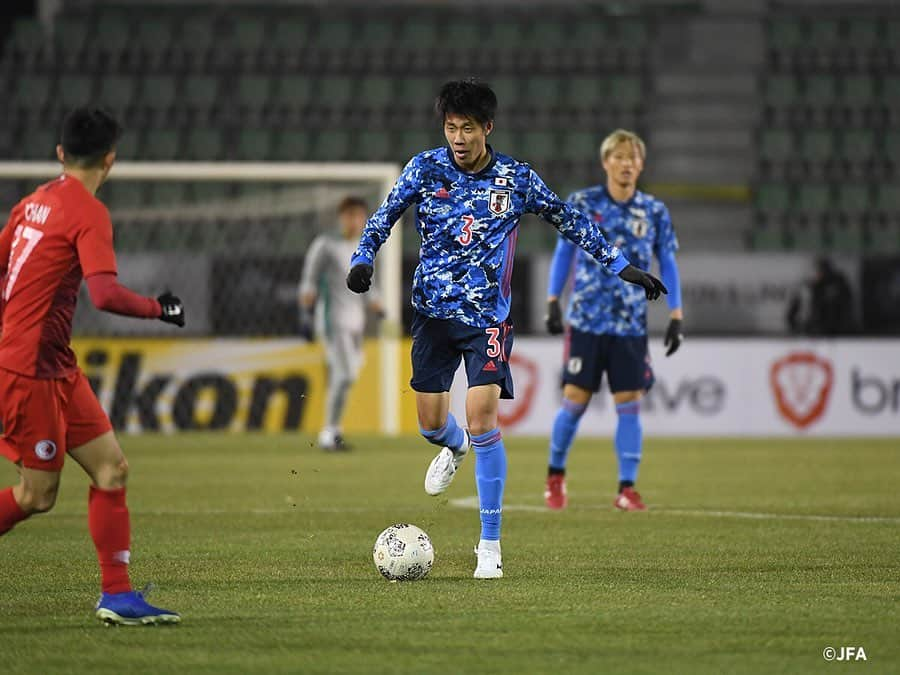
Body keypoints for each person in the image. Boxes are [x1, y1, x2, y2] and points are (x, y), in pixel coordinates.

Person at [346, 81, 666, 578]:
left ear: (487, 128)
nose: (458, 137)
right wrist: (363, 258)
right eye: (451, 127)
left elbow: (568, 219)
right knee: (432, 424)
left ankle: (489, 547)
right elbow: (383, 216)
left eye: (467, 128)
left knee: (482, 417)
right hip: (432, 314)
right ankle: (453, 447)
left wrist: (620, 264)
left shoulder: (516, 179)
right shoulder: (424, 168)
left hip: (487, 321)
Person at [0, 107, 185, 625]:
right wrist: (159, 308)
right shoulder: (88, 211)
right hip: (29, 370)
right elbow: (102, 295)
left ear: (61, 153)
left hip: (53, 364)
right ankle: (117, 595)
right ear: (111, 159)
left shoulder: (30, 203)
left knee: (112, 468)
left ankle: (118, 596)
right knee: (37, 495)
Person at [543, 129, 684, 512]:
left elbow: (667, 261)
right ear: (606, 162)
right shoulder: (582, 202)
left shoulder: (654, 211)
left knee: (629, 402)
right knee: (574, 400)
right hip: (586, 321)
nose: (626, 164)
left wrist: (676, 315)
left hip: (629, 327)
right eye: (619, 157)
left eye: (633, 158)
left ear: (641, 164)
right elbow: (564, 254)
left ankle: (627, 488)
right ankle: (555, 477)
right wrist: (553, 301)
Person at [298, 196, 383, 451]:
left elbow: (368, 286)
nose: (356, 221)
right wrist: (305, 314)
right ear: (341, 217)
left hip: (356, 322)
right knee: (345, 375)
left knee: (348, 374)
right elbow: (309, 281)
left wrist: (380, 311)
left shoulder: (364, 247)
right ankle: (329, 433)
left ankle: (333, 429)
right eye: (351, 215)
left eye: (360, 216)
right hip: (333, 320)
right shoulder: (325, 245)